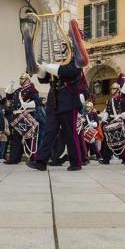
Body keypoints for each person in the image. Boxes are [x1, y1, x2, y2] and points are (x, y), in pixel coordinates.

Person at [27, 20, 89, 172]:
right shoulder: (57, 61)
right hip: (54, 99)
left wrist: (48, 66)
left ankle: (76, 162)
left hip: (69, 98)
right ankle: (41, 161)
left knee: (70, 133)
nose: (62, 48)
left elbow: (70, 72)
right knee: (49, 132)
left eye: (65, 45)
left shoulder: (76, 59)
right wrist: (41, 69)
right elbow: (45, 79)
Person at [7, 72, 42, 164]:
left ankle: (34, 158)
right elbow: (8, 96)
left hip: (27, 115)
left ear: (27, 80)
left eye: (22, 79)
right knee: (15, 139)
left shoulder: (32, 89)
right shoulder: (18, 90)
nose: (20, 80)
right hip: (17, 116)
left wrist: (27, 104)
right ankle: (14, 158)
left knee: (29, 138)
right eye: (20, 79)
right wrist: (11, 85)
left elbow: (37, 101)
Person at [98, 78, 125, 164]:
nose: (112, 90)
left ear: (118, 90)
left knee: (121, 140)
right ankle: (106, 158)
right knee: (108, 140)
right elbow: (107, 112)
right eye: (111, 89)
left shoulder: (123, 100)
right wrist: (105, 117)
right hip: (112, 121)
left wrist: (124, 115)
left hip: (120, 121)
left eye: (114, 89)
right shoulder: (110, 101)